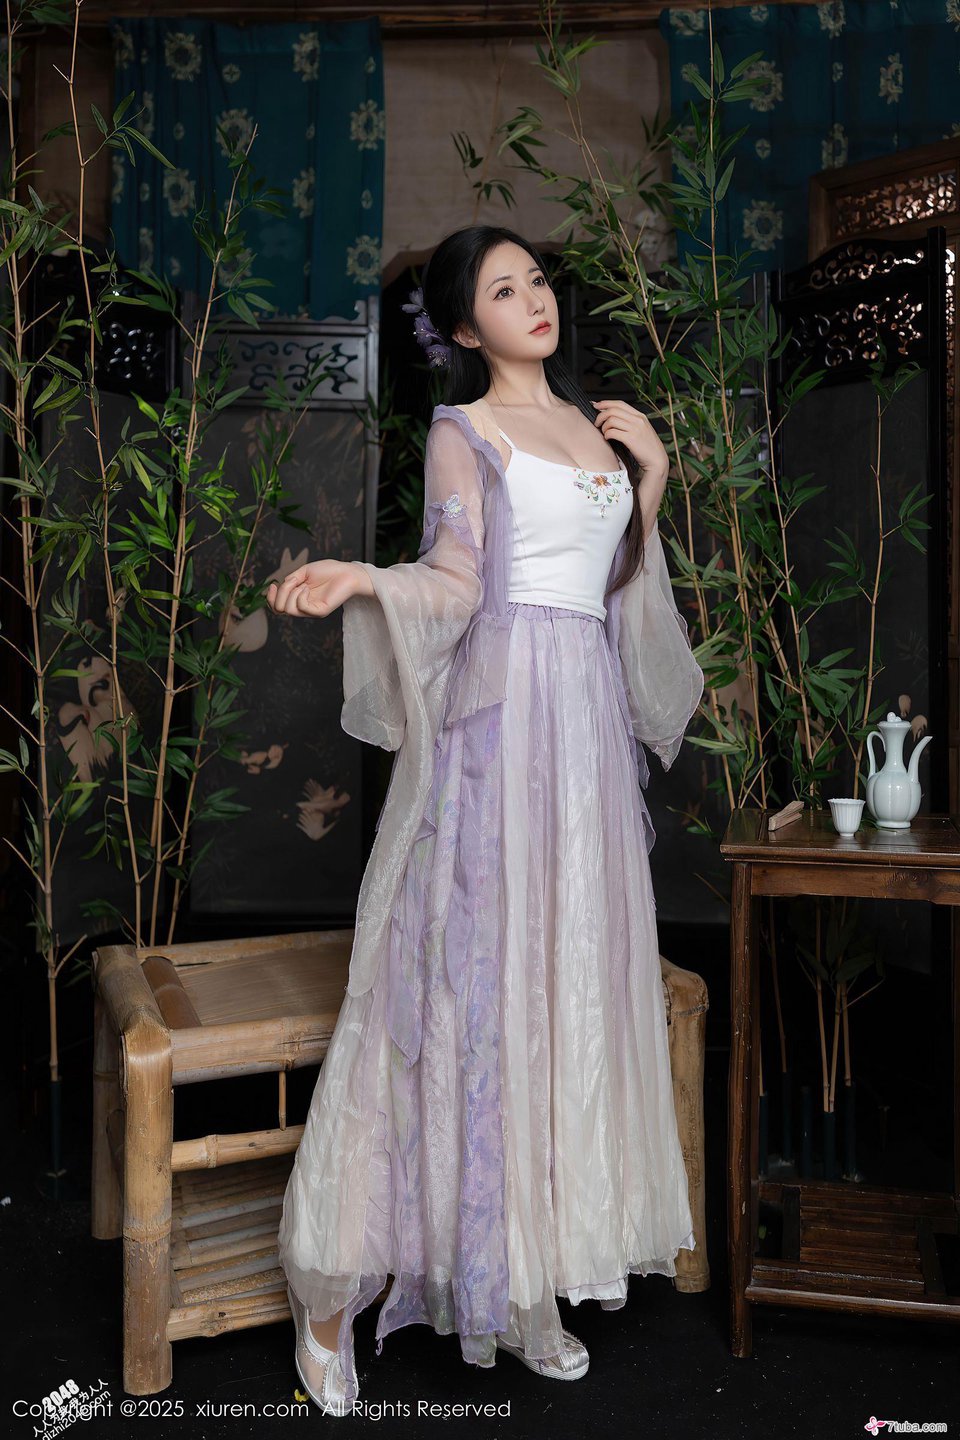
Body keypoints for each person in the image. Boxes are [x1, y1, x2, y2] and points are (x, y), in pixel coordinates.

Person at [267, 225, 704, 1417]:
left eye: (539, 279)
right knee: (458, 995)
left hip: (583, 744)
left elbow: (612, 586)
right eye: (505, 290)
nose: (534, 299)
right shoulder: (463, 431)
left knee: (562, 996)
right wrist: (366, 579)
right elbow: (459, 580)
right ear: (465, 327)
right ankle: (328, 1300)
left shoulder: (598, 428)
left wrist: (652, 483)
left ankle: (521, 1288)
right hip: (500, 742)